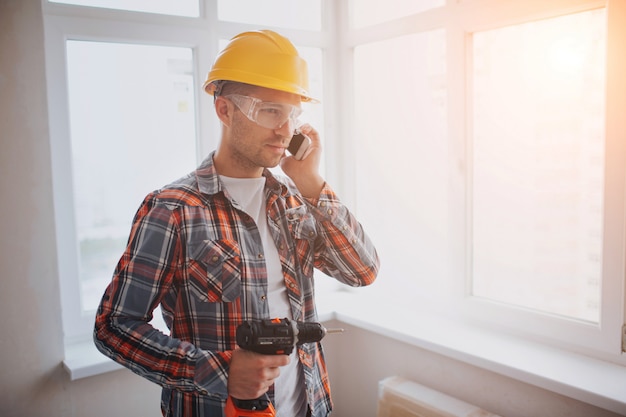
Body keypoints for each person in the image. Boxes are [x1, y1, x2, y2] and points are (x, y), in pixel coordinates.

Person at [93, 29, 380, 417]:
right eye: (270, 111)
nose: (286, 130)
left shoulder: (294, 203)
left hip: (309, 408)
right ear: (224, 110)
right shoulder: (173, 210)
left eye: (293, 114)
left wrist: (311, 181)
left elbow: (362, 271)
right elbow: (114, 326)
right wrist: (220, 371)